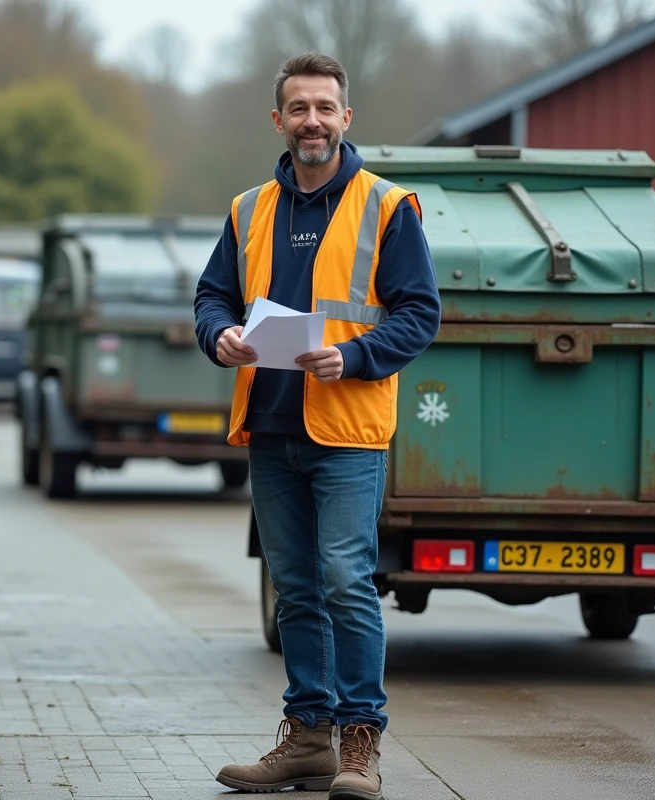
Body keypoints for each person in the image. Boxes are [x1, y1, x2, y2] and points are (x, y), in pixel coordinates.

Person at [193, 52, 442, 800]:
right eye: (298, 108)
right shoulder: (249, 209)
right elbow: (213, 297)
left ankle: (358, 745)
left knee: (344, 582)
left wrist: (356, 354)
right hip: (269, 428)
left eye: (324, 108)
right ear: (279, 119)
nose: (312, 121)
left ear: (346, 118)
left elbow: (420, 313)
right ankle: (306, 740)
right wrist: (220, 337)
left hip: (347, 431)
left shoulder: (387, 207)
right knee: (295, 588)